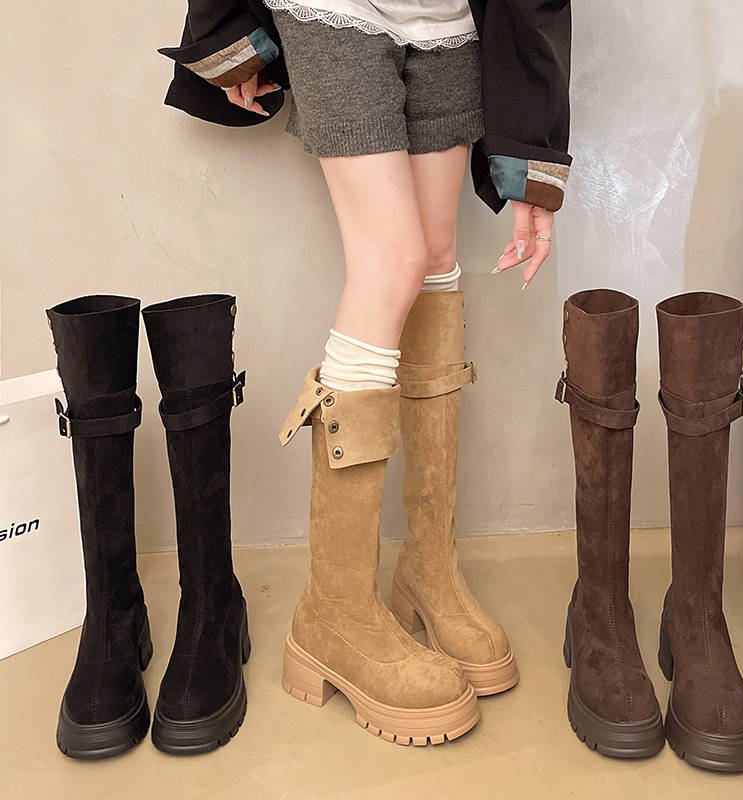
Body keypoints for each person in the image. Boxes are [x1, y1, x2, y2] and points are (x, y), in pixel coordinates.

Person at [160, 0, 572, 746]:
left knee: (436, 259)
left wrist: (532, 159)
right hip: (335, 10)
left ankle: (428, 568)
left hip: (450, 19)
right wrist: (226, 33)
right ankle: (336, 609)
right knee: (392, 262)